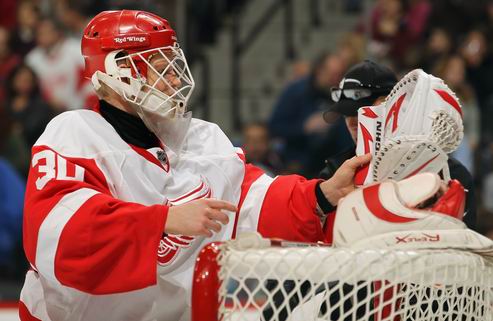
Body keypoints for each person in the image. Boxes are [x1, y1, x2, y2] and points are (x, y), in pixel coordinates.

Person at [18, 10, 371, 321]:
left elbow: (254, 201)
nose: (175, 79)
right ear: (117, 71)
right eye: (160, 68)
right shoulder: (75, 134)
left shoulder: (201, 138)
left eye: (174, 64)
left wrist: (321, 195)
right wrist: (164, 220)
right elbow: (59, 237)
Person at [321, 60, 476, 232]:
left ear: (397, 105)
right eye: (345, 114)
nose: (351, 121)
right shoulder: (335, 175)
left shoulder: (452, 175)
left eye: (361, 110)